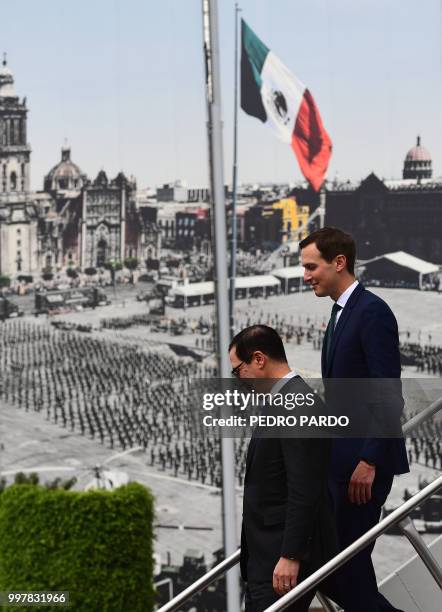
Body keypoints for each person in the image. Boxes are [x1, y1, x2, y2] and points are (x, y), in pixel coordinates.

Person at [300, 227, 409, 612]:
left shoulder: (372, 312)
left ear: (339, 262)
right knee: (337, 568)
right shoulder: (340, 313)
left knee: (344, 568)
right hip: (341, 460)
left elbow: (387, 391)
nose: (306, 275)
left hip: (363, 464)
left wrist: (370, 460)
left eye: (312, 266)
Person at [229, 325, 337, 612]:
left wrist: (291, 554)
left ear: (259, 359)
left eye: (238, 370)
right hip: (266, 557)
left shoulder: (297, 405)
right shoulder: (282, 400)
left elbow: (305, 488)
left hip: (280, 560)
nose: (238, 380)